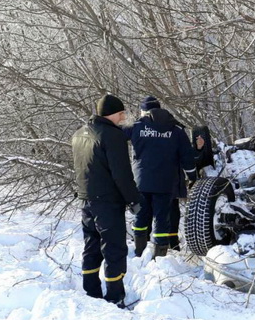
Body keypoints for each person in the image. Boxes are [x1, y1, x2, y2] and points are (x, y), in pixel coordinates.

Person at [71, 94, 141, 308]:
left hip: (85, 200)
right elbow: (121, 174)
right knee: (114, 249)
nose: (124, 116)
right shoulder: (112, 136)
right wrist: (134, 200)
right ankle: (114, 296)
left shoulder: (78, 134)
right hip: (107, 202)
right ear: (113, 113)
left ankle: (91, 291)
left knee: (91, 246)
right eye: (122, 113)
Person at [123, 96, 197, 258]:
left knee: (141, 217)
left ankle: (139, 252)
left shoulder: (136, 127)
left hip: (141, 183)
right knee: (162, 219)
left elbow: (114, 139)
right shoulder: (176, 129)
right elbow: (187, 157)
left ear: (144, 111)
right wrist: (192, 176)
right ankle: (159, 257)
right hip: (166, 184)